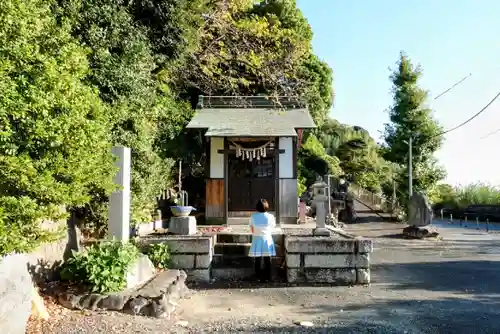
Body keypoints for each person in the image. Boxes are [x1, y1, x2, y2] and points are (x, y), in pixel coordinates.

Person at [248, 198, 276, 282]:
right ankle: (268, 277)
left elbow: (252, 229)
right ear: (266, 206)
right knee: (268, 259)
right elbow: (272, 227)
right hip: (267, 239)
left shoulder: (253, 216)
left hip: (257, 239)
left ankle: (258, 277)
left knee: (257, 260)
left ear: (257, 207)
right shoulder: (270, 216)